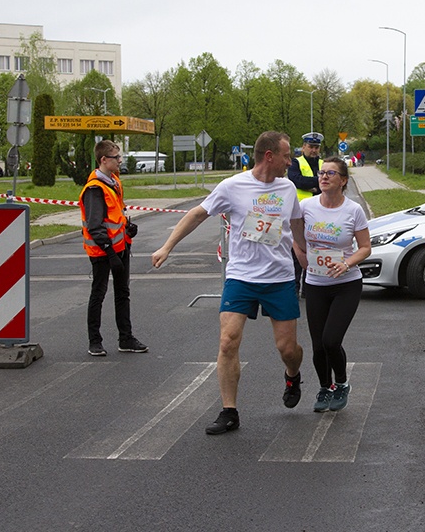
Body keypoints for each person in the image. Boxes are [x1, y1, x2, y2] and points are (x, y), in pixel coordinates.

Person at [151, 131, 307, 435]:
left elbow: (297, 223)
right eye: (287, 156)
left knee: (287, 349)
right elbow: (197, 214)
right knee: (227, 342)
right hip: (241, 277)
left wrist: (304, 254)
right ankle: (229, 411)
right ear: (269, 156)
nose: (291, 162)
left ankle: (293, 374)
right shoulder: (232, 186)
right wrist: (167, 246)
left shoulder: (287, 189)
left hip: (279, 278)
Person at [293, 157, 371, 413]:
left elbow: (365, 248)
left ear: (343, 180)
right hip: (315, 282)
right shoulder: (306, 206)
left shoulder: (353, 210)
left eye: (331, 173)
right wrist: (301, 256)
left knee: (331, 340)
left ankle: (342, 383)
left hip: (346, 284)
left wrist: (347, 263)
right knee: (317, 345)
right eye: (321, 173)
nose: (324, 177)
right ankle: (325, 388)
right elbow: (294, 236)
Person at [80, 139, 148, 357]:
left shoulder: (114, 182)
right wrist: (110, 252)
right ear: (103, 160)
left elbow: (115, 216)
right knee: (98, 294)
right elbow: (94, 225)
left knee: (123, 293)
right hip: (102, 252)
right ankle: (95, 341)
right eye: (116, 157)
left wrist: (128, 229)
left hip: (121, 247)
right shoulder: (94, 188)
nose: (120, 161)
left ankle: (126, 338)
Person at [287, 132, 324, 296]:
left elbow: (332, 181)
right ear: (303, 147)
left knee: (315, 249)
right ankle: (294, 287)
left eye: (316, 147)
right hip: (299, 213)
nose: (314, 150)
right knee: (297, 251)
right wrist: (317, 183)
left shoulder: (324, 163)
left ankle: (308, 288)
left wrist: (310, 185)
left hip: (320, 213)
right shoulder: (296, 162)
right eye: (310, 147)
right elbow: (296, 180)